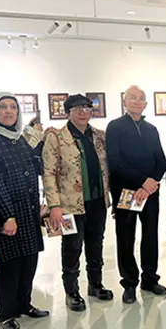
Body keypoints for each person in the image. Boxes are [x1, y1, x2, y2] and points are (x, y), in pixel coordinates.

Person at [0, 92, 49, 329]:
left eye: (13, 107)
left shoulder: (19, 139)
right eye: (3, 107)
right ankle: (6, 313)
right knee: (9, 266)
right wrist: (7, 215)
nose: (8, 111)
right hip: (8, 214)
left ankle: (24, 304)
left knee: (29, 261)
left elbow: (34, 168)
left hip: (28, 211)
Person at [43, 94, 114, 312]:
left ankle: (95, 284)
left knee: (96, 244)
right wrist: (54, 205)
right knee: (72, 247)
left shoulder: (100, 136)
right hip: (69, 204)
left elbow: (109, 167)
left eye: (87, 107)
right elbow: (48, 173)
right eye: (77, 108)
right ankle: (71, 291)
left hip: (97, 201)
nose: (83, 112)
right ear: (68, 112)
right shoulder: (56, 138)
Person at [106, 85, 166, 304]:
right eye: (132, 98)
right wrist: (142, 181)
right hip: (126, 192)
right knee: (126, 237)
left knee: (150, 235)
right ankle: (129, 283)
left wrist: (149, 185)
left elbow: (162, 161)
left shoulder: (151, 129)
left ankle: (150, 278)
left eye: (141, 98)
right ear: (124, 101)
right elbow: (115, 161)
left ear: (146, 104)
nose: (137, 101)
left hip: (149, 193)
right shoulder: (115, 127)